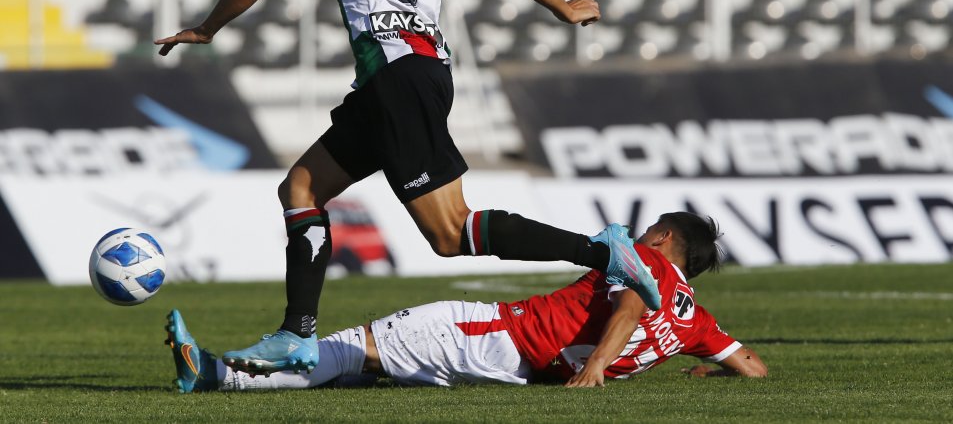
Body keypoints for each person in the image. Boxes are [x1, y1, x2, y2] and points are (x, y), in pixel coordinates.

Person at [154, 0, 660, 375]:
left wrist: (207, 28)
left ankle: (604, 251)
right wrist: (564, 8)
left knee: (449, 233)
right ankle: (296, 334)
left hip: (394, 74)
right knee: (300, 187)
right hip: (412, 73)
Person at [165, 213, 767, 393]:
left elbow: (632, 307)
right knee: (361, 369)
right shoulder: (700, 322)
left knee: (358, 349)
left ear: (662, 241)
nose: (637, 244)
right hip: (517, 367)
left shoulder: (650, 265)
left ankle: (218, 375)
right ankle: (217, 374)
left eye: (648, 232)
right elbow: (754, 368)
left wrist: (595, 368)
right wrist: (708, 363)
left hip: (498, 333)